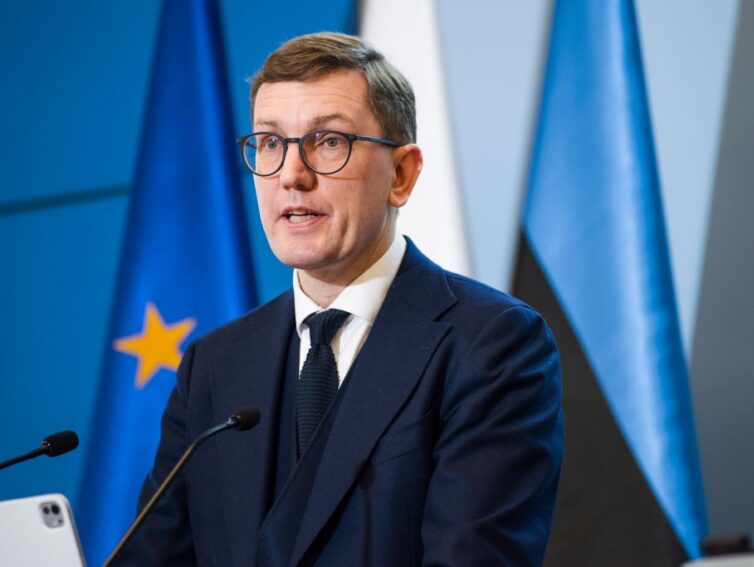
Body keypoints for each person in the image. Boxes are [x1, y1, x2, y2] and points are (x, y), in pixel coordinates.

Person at [121, 32, 563, 566]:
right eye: (270, 143)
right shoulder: (214, 365)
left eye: (328, 141)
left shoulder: (492, 344)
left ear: (401, 175)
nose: (291, 175)